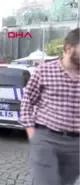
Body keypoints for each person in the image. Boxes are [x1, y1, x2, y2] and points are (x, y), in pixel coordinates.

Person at [20, 28, 80, 185]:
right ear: (69, 48)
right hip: (47, 139)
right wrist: (32, 133)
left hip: (76, 146)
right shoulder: (45, 70)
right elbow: (27, 101)